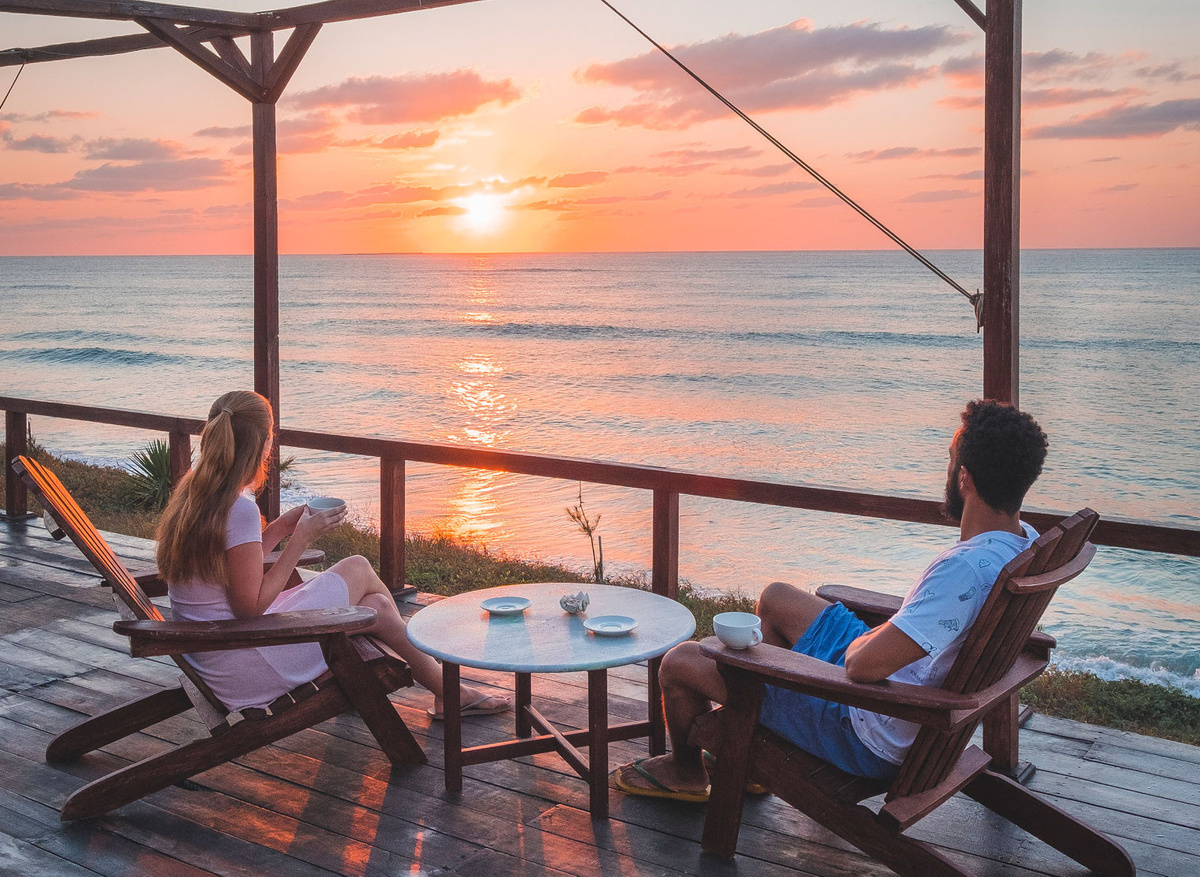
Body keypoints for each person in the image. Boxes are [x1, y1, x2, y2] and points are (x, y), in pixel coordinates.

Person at [614, 399, 1049, 801]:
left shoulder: (965, 569)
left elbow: (861, 667)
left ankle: (687, 771)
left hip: (870, 724)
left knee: (682, 660)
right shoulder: (1023, 543)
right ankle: (745, 749)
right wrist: (883, 635)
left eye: (951, 460)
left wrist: (861, 646)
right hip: (899, 681)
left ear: (964, 477)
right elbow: (916, 634)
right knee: (777, 599)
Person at [156, 390, 510, 718]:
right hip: (243, 663)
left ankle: (448, 691)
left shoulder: (195, 491)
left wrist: (279, 528)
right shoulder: (238, 509)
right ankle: (440, 683)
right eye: (271, 436)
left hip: (216, 649)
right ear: (261, 444)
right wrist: (300, 542)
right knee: (357, 568)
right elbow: (249, 607)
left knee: (377, 606)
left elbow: (226, 567)